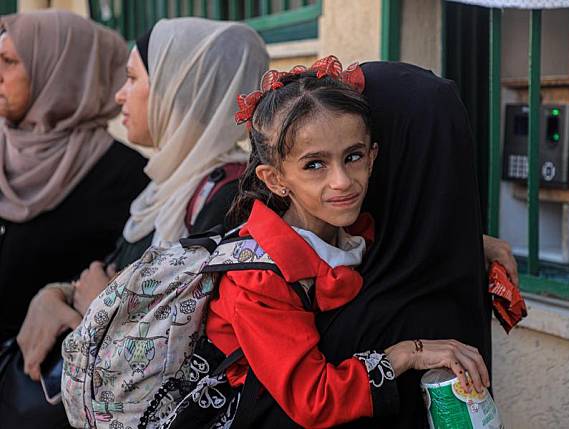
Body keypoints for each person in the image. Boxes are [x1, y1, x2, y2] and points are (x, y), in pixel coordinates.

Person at [199, 58, 489, 429]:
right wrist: (407, 353)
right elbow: (314, 399)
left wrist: (480, 244)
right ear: (274, 179)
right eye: (315, 165)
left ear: (373, 157)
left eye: (352, 157)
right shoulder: (258, 278)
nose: (342, 181)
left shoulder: (356, 229)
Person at [7, 17, 268, 427]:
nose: (119, 94)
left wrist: (101, 306)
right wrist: (53, 294)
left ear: (177, 88)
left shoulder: (229, 201)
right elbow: (110, 269)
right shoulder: (164, 186)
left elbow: (192, 341)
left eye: (132, 78)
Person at [0, 10, 149, 342]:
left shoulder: (127, 177)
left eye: (9, 61)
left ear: (61, 74)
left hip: (45, 380)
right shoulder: (4, 151)